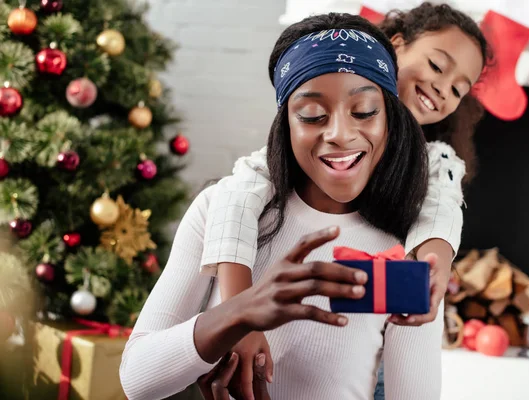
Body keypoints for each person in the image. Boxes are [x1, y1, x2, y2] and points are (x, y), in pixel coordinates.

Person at [120, 12, 442, 400]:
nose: (340, 134)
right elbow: (136, 380)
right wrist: (238, 312)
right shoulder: (220, 210)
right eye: (312, 115)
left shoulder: (409, 246)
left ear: (390, 121)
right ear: (286, 123)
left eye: (365, 112)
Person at [201, 2, 491, 393]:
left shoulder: (435, 164)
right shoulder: (280, 166)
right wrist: (238, 315)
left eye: (458, 89)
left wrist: (434, 262)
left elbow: (440, 209)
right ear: (396, 46)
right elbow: (236, 198)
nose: (443, 88)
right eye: (437, 67)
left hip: (381, 344)